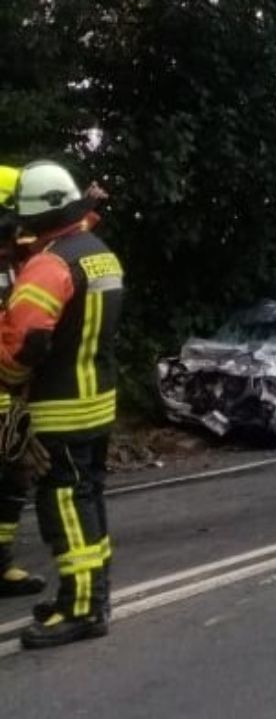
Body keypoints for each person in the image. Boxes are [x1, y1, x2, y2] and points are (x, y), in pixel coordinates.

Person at [0, 160, 123, 649]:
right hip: (97, 400)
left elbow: (24, 342)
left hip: (60, 406)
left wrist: (8, 384)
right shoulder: (98, 253)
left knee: (64, 507)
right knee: (88, 502)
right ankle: (91, 595)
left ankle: (81, 610)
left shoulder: (48, 265)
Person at [0, 165, 46, 599]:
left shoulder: (17, 262)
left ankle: (0, 563)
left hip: (9, 395)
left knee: (15, 475)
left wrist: (86, 209)